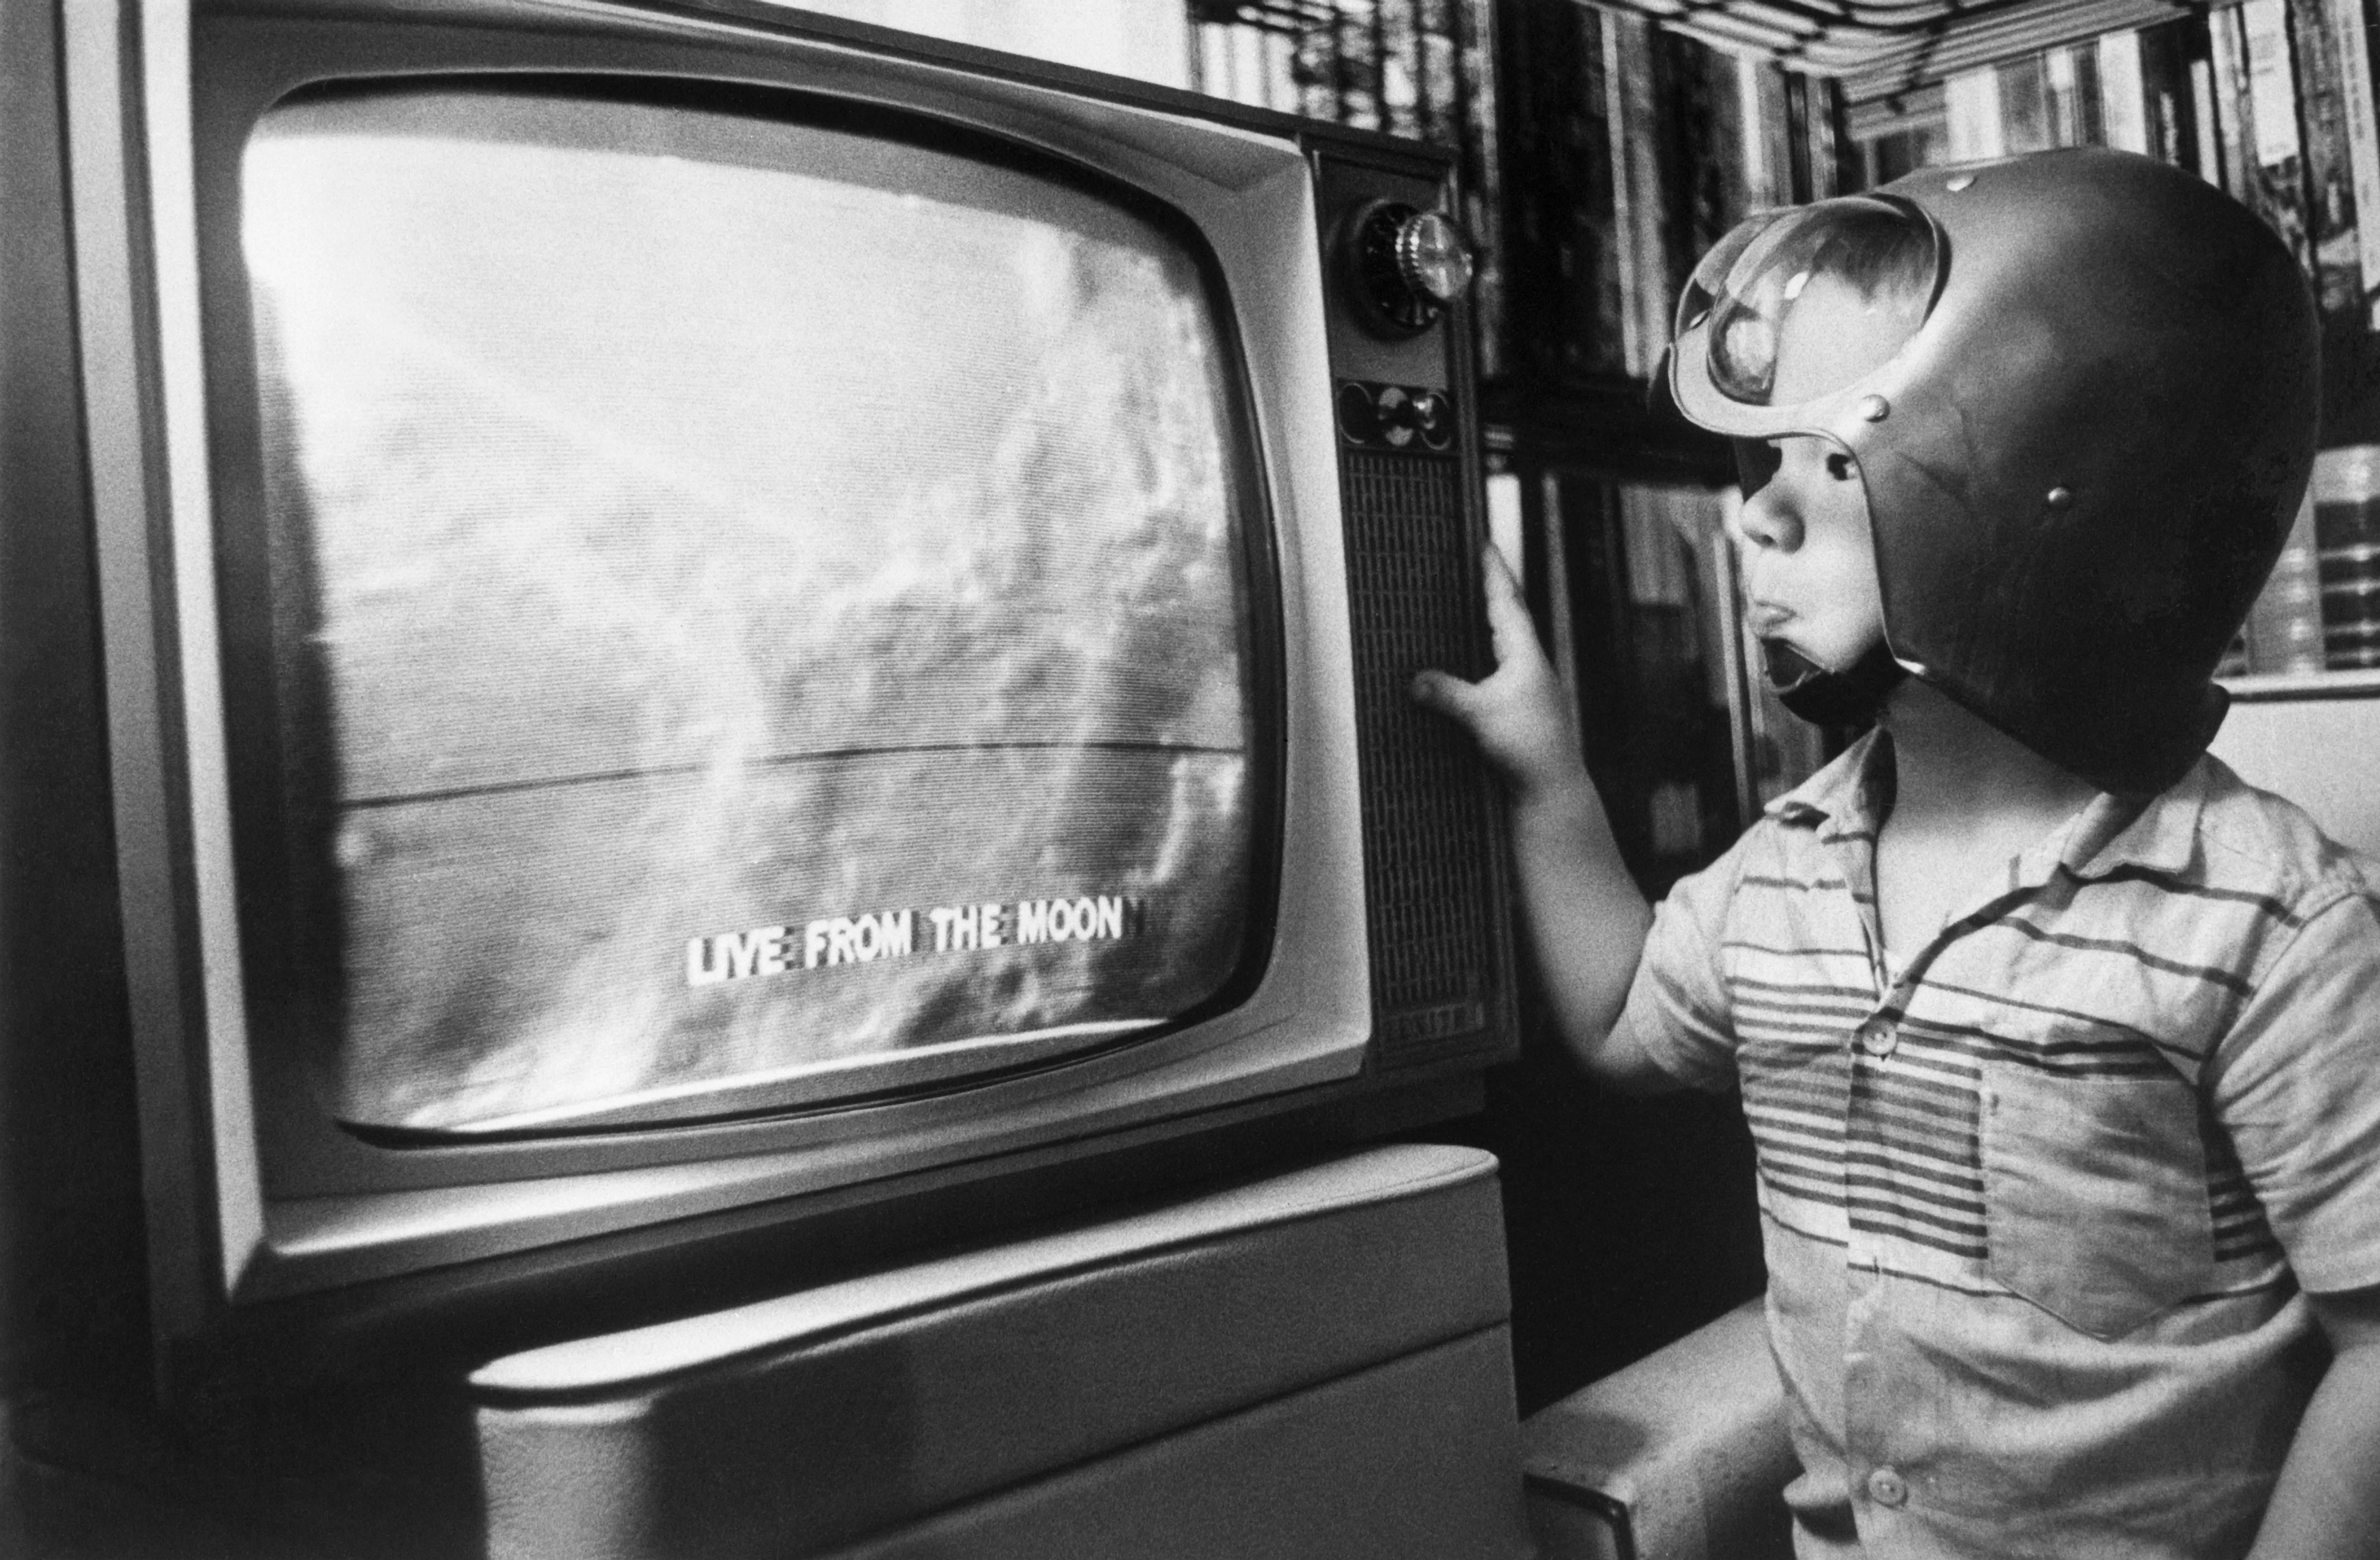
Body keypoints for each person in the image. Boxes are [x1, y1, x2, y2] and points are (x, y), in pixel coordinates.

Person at [1414, 147, 2380, 1559]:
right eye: (1760, 460)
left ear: (2056, 480)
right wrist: (1548, 769)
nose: (1753, 510)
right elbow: (1624, 1021)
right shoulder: (1790, 861)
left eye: (1831, 459)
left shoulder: (2262, 921)